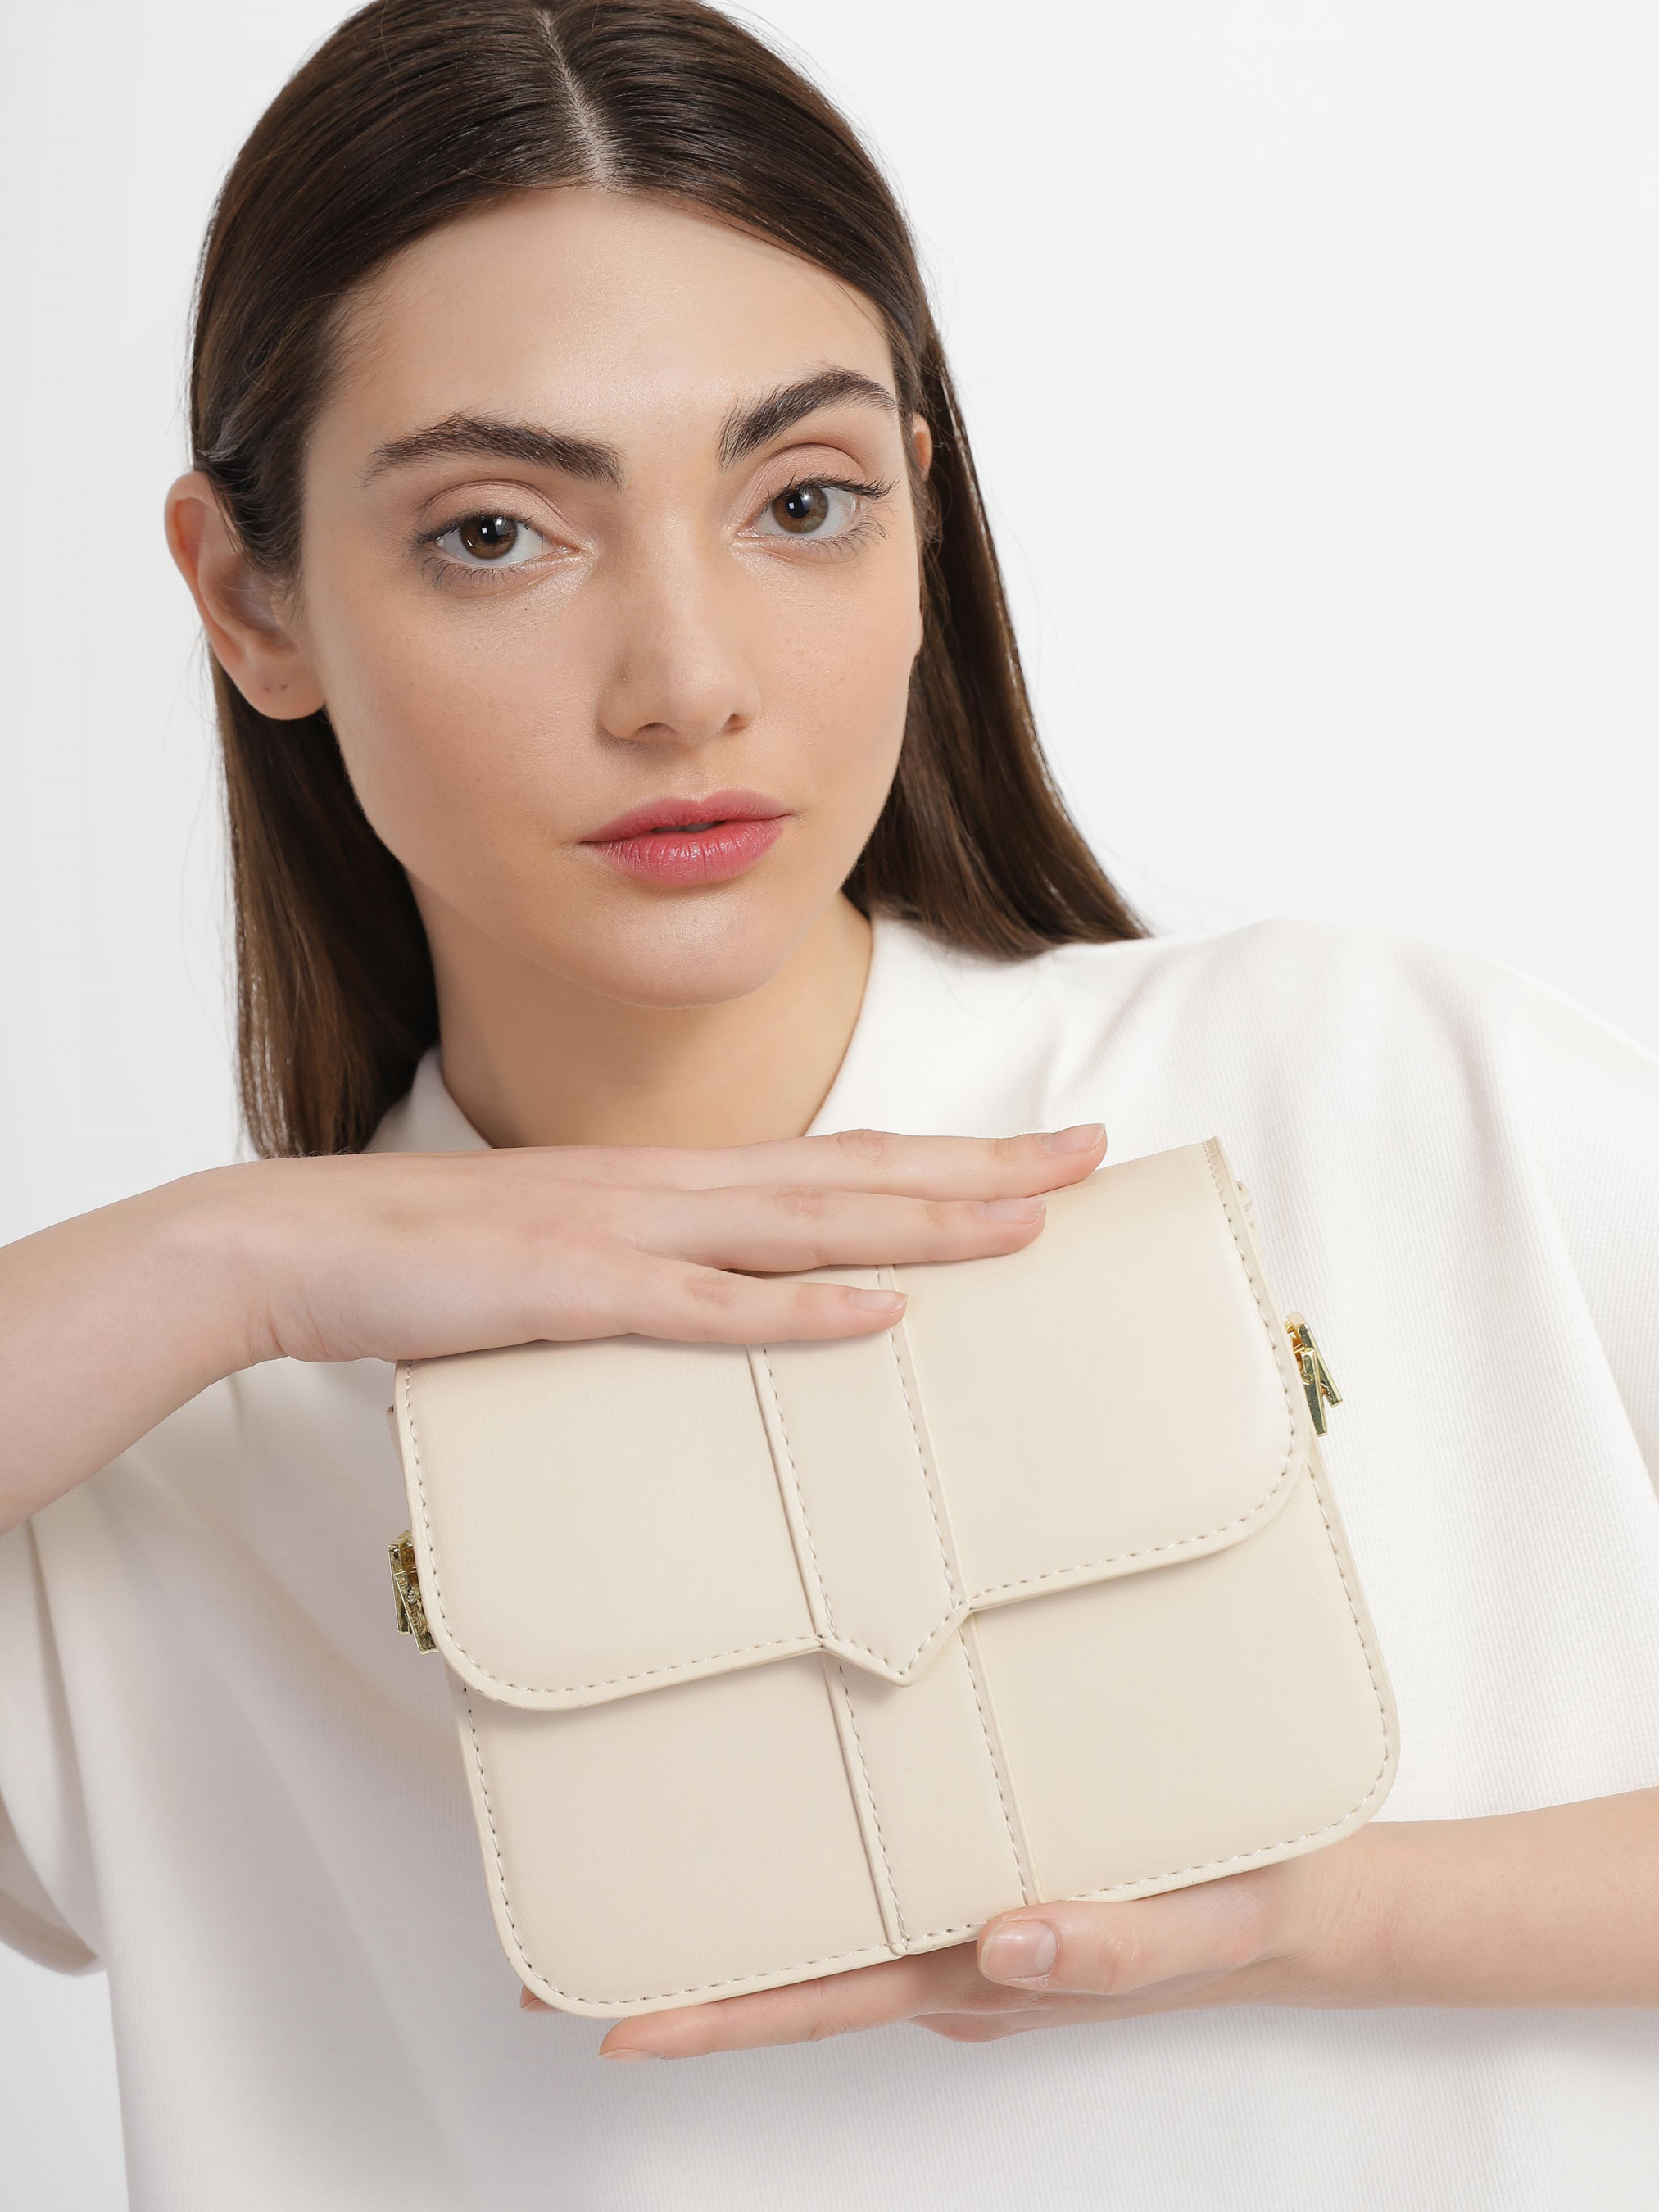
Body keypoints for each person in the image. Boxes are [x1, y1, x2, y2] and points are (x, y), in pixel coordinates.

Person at [2, 0, 1656, 2204]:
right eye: (496, 532)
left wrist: (1312, 1919)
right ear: (250, 598)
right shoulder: (158, 1459)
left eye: (800, 500)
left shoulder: (1372, 1092)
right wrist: (247, 1253)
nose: (686, 681)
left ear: (918, 521)